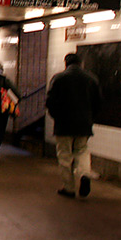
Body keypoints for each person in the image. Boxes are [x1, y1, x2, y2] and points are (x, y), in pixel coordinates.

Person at [45, 52, 102, 199]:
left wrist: (56, 116)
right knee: (82, 151)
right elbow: (98, 103)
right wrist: (90, 118)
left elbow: (50, 102)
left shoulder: (58, 78)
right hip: (84, 125)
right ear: (80, 63)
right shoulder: (91, 79)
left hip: (63, 125)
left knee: (65, 155)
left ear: (66, 63)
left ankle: (69, 188)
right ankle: (84, 174)